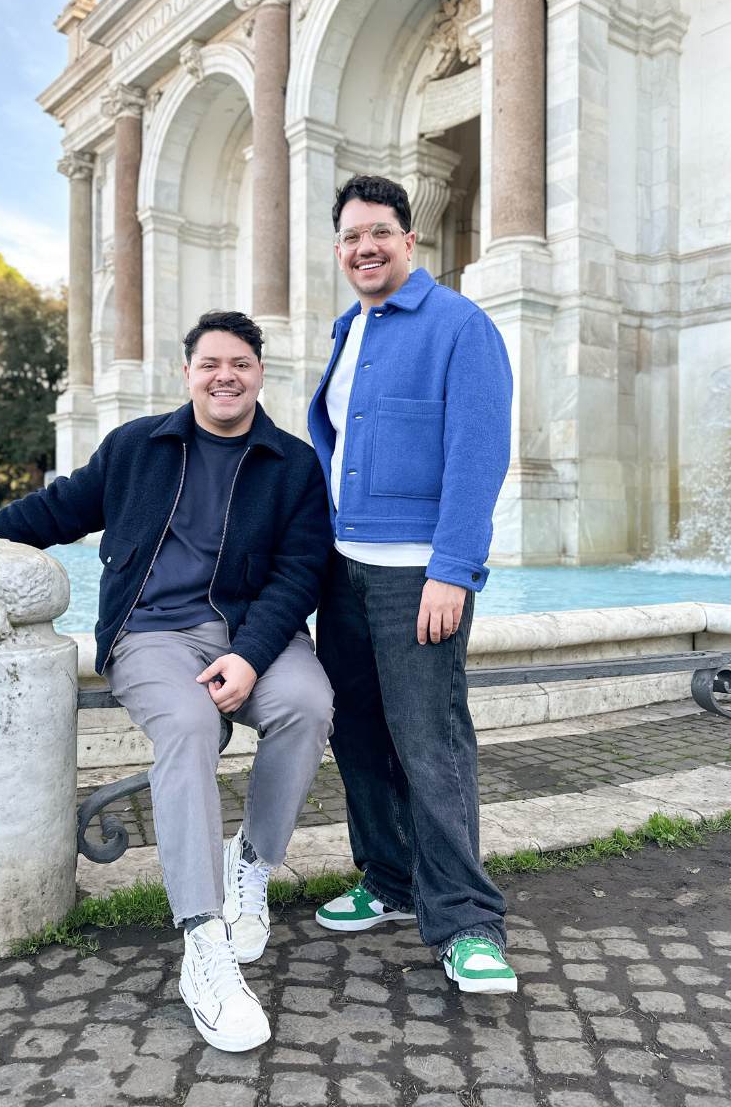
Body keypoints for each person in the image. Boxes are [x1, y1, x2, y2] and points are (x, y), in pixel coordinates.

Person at [0, 311, 335, 1051]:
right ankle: (203, 942)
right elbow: (51, 512)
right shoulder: (138, 446)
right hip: (153, 634)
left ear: (261, 374)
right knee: (194, 726)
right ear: (188, 372)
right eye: (210, 364)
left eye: (239, 363)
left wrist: (253, 657)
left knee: (308, 702)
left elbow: (301, 574)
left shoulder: (294, 464)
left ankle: (251, 866)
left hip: (251, 632)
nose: (225, 376)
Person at [307, 174, 517, 994]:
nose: (366, 247)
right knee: (356, 734)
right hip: (343, 573)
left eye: (381, 233)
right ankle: (389, 881)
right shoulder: (346, 329)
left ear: (409, 241)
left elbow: (477, 457)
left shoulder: (461, 325)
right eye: (352, 236)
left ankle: (468, 920)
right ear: (340, 249)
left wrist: (452, 570)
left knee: (432, 744)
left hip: (416, 580)